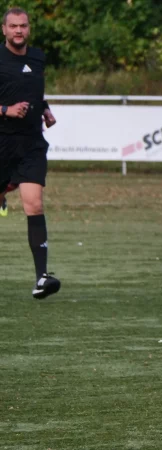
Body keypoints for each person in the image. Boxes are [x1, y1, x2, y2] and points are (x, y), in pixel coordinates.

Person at [0, 7, 59, 298]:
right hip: (1, 144)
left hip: (32, 145)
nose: (18, 31)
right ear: (4, 29)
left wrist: (45, 109)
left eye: (23, 26)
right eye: (13, 26)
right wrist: (5, 110)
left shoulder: (37, 57)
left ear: (29, 28)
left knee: (34, 205)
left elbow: (36, 91)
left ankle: (42, 278)